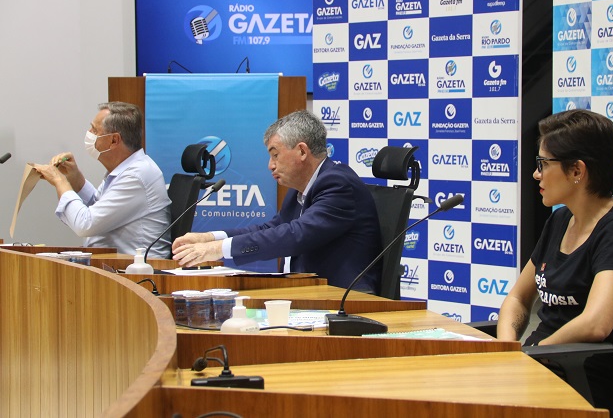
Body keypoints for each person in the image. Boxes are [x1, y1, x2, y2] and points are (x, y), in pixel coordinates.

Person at [496, 109, 613, 416]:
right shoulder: (560, 220)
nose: (536, 174)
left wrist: (536, 353)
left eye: (543, 164)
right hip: (535, 368)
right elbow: (518, 298)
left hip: (579, 381)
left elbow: (596, 323)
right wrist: (507, 348)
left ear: (577, 170)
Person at [172, 109, 383, 292]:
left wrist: (217, 250)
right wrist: (209, 238)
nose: (270, 165)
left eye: (275, 155)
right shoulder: (300, 190)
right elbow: (271, 228)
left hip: (342, 298)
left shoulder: (338, 184)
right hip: (305, 291)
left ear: (302, 151)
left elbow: (295, 235)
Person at [32, 102, 171, 257]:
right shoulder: (125, 169)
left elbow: (85, 224)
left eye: (95, 130)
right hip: (114, 262)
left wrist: (60, 181)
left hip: (135, 268)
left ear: (114, 140)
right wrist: (75, 179)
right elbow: (98, 207)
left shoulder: (136, 176)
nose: (89, 133)